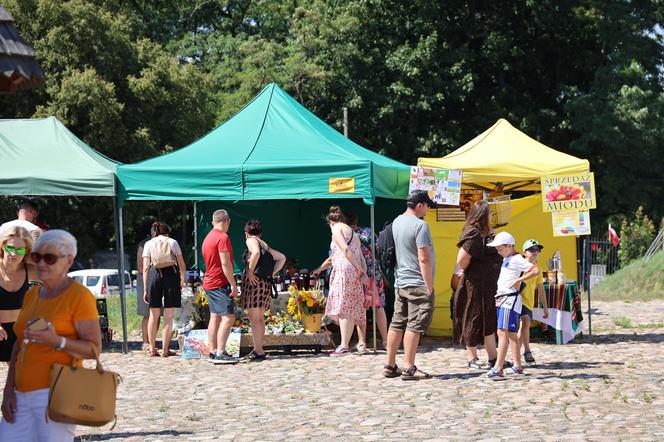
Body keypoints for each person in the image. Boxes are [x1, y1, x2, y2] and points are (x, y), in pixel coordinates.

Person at [0, 230, 100, 441]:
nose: (42, 263)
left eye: (50, 258)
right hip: (21, 396)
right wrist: (9, 390)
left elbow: (93, 350)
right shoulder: (33, 293)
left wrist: (58, 341)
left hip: (57, 393)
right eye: (37, 257)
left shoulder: (79, 297)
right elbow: (19, 343)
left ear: (69, 261)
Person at [383, 190, 436, 380]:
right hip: (417, 282)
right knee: (414, 324)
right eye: (427, 205)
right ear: (420, 205)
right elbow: (424, 257)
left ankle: (390, 365)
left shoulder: (396, 222)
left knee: (397, 323)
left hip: (400, 282)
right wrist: (428, 285)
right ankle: (409, 367)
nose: (428, 209)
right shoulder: (421, 226)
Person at [453, 200, 502, 370]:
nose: (491, 216)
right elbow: (461, 260)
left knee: (489, 319)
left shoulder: (488, 233)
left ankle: (493, 358)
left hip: (489, 285)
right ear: (483, 215)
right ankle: (472, 357)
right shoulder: (473, 233)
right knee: (472, 318)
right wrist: (473, 271)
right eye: (489, 213)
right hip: (474, 284)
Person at [486, 231, 539, 380]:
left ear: (509, 245)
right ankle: (517, 365)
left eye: (500, 247)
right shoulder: (508, 259)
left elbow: (535, 270)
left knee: (502, 332)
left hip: (509, 299)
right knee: (510, 334)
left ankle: (498, 368)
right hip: (505, 299)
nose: (497, 250)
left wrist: (519, 279)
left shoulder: (515, 259)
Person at [323, 206, 367, 357]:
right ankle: (345, 344)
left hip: (344, 269)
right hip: (353, 270)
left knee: (343, 308)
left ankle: (344, 345)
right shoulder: (352, 231)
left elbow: (345, 250)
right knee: (348, 308)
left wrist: (359, 269)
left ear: (331, 222)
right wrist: (362, 271)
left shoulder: (336, 229)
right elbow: (360, 255)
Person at [241, 220, 286, 361]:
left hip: (254, 283)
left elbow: (255, 254)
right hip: (264, 283)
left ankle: (258, 350)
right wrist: (272, 272)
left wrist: (250, 271)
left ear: (246, 232)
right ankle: (259, 348)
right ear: (260, 232)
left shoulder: (251, 241)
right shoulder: (264, 244)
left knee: (254, 319)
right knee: (259, 319)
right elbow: (282, 258)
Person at [345, 211, 389, 352]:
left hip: (357, 272)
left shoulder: (345, 235)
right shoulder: (368, 231)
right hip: (374, 271)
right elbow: (379, 250)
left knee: (361, 306)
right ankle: (386, 341)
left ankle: (362, 342)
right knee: (379, 305)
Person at [142, 222, 186, 357]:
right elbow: (181, 263)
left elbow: (145, 268)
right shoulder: (173, 242)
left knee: (153, 315)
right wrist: (183, 279)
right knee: (168, 316)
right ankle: (165, 350)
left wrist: (145, 288)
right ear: (167, 232)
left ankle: (152, 348)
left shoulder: (148, 244)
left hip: (154, 275)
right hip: (171, 276)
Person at [201, 210, 238, 364]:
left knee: (215, 317)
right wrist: (233, 284)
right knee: (229, 317)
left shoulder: (208, 237)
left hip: (209, 282)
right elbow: (225, 263)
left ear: (213, 222)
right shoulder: (223, 237)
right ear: (227, 221)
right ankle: (221, 352)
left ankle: (212, 350)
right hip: (219, 283)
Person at [0, 227, 36, 363]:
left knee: (21, 380)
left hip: (20, 330)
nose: (14, 254)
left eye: (20, 250)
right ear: (3, 246)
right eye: (10, 248)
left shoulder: (30, 270)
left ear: (26, 252)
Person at [519, 239, 549, 364]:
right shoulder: (519, 265)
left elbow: (541, 287)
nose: (536, 252)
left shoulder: (538, 268)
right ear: (524, 253)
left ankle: (522, 352)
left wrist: (545, 307)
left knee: (525, 326)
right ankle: (525, 351)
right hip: (517, 300)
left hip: (529, 302)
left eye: (538, 250)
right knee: (524, 324)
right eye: (532, 250)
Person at [136, 225, 161, 352]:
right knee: (147, 314)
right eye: (154, 228)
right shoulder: (144, 244)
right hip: (145, 280)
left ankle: (153, 341)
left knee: (157, 314)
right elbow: (141, 268)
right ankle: (145, 341)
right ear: (150, 231)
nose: (156, 231)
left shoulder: (165, 242)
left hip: (159, 280)